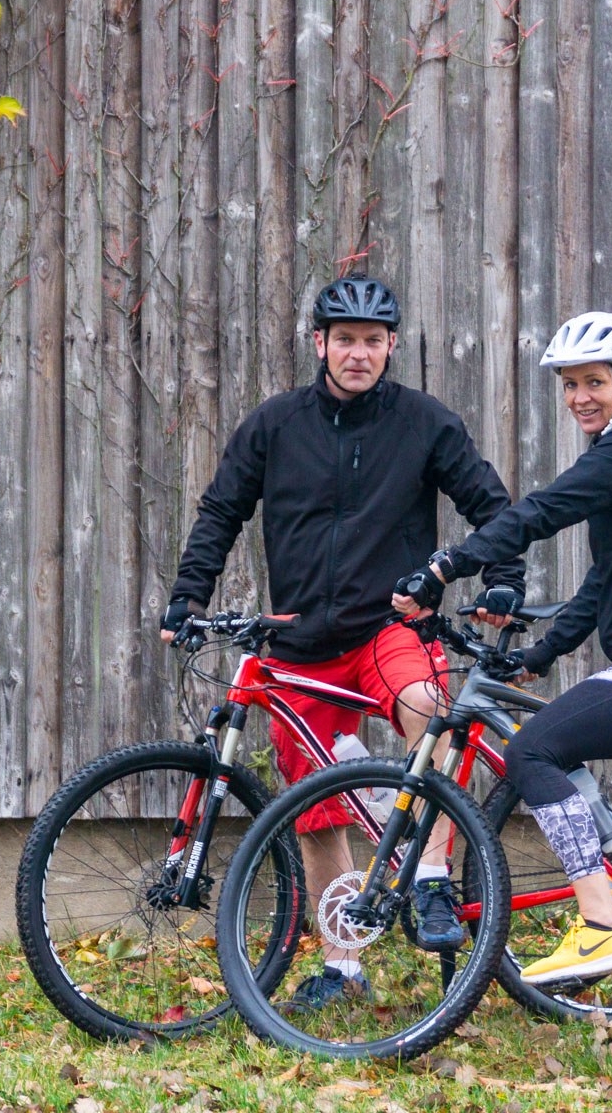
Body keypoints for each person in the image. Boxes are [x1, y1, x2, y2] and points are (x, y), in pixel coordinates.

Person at [392, 310, 612, 1063]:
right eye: (571, 385)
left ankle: (599, 918)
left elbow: (540, 513)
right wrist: (544, 653)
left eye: (595, 382)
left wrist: (444, 567)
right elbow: (604, 582)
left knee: (533, 751)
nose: (582, 397)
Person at [162, 275, 525, 1013]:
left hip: (386, 629)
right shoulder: (274, 424)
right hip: (298, 643)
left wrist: (503, 582)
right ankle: (343, 966)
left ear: (391, 347)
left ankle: (428, 878)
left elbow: (493, 507)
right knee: (313, 808)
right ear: (320, 343)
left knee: (429, 705)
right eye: (345, 339)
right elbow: (221, 511)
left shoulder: (425, 422)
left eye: (372, 341)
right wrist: (187, 596)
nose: (358, 354)